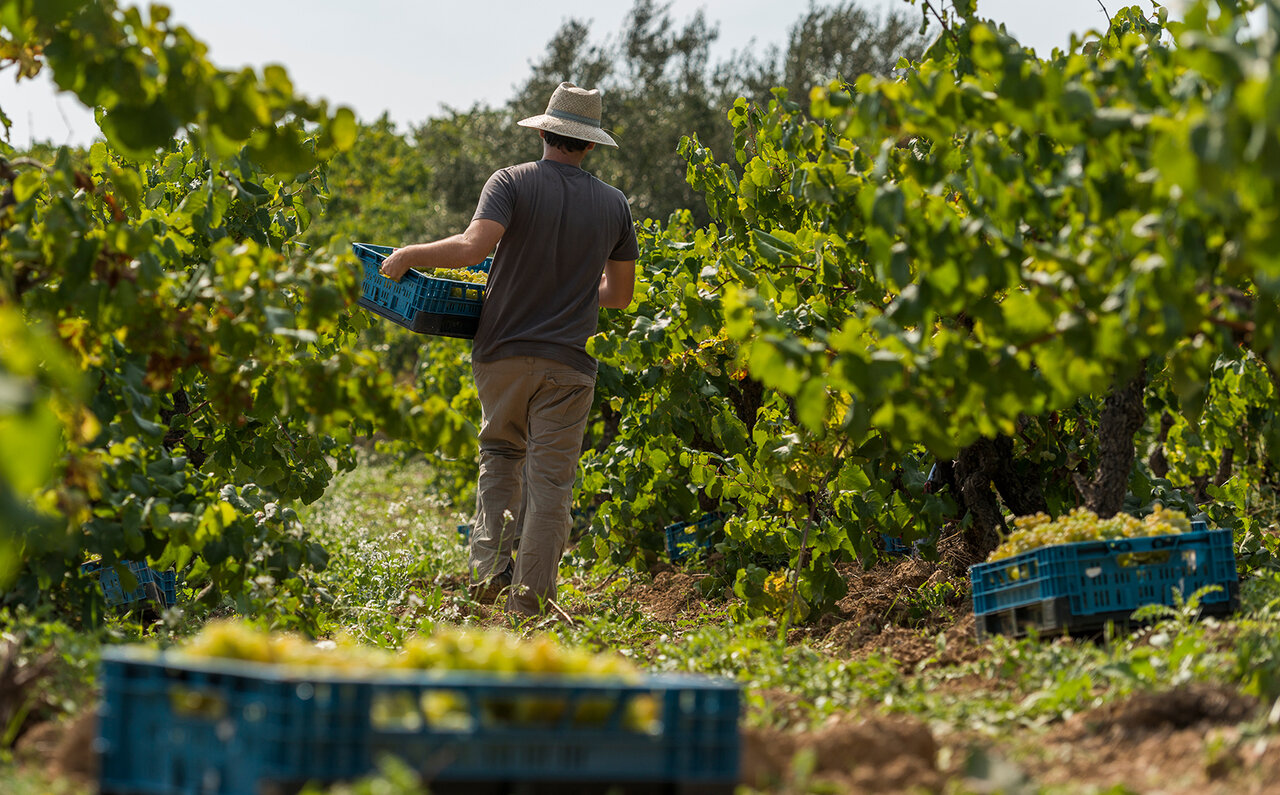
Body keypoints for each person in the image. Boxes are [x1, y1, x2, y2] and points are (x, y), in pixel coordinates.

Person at [379, 82, 638, 615]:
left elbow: (472, 247)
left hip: (502, 354)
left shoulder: (511, 182)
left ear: (544, 131)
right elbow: (620, 296)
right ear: (589, 145)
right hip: (569, 366)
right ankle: (529, 603)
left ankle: (487, 578)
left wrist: (409, 254)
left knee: (500, 458)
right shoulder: (615, 205)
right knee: (551, 485)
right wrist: (572, 284)